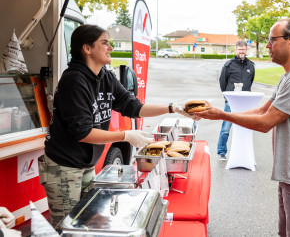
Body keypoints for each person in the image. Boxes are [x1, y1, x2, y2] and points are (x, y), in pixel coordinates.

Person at [38, 24, 193, 228]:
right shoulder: (74, 81)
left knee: (86, 223)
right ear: (87, 48)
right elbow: (82, 133)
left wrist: (173, 107)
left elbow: (133, 106)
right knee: (66, 227)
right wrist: (126, 135)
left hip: (86, 164)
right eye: (104, 43)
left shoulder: (106, 76)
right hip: (64, 166)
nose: (110, 47)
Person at [195, 18, 290, 236]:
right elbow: (261, 111)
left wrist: (221, 114)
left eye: (271, 40)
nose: (267, 45)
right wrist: (219, 114)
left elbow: (266, 122)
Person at [217, 40, 255, 160]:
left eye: (243, 49)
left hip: (245, 103)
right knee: (226, 129)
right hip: (231, 102)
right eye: (239, 49)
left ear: (246, 50)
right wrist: (227, 97)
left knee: (244, 129)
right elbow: (222, 82)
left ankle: (243, 153)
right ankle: (221, 152)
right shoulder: (229, 65)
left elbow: (251, 81)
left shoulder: (251, 65)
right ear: (236, 50)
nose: (241, 51)